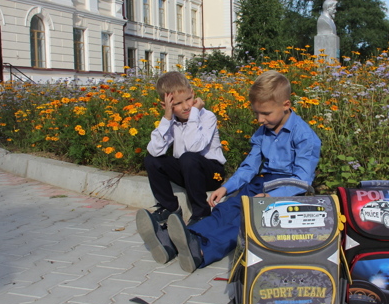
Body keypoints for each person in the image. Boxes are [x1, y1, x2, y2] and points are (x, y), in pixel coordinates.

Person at [136, 70, 321, 272]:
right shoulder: (264, 131)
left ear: (286, 105)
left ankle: (202, 252)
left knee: (244, 220)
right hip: (260, 183)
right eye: (256, 113)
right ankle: (178, 241)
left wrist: (271, 196)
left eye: (265, 113)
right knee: (225, 209)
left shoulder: (304, 136)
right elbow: (249, 166)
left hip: (285, 191)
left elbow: (302, 180)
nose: (259, 119)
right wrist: (226, 187)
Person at [137, 71, 226, 235]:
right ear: (167, 105)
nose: (186, 106)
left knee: (188, 158)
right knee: (152, 160)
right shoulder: (172, 121)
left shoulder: (207, 117)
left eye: (188, 99)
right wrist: (167, 119)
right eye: (178, 103)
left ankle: (201, 214)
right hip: (188, 172)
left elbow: (194, 147)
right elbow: (155, 150)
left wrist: (194, 115)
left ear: (193, 94)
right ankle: (169, 208)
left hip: (212, 174)